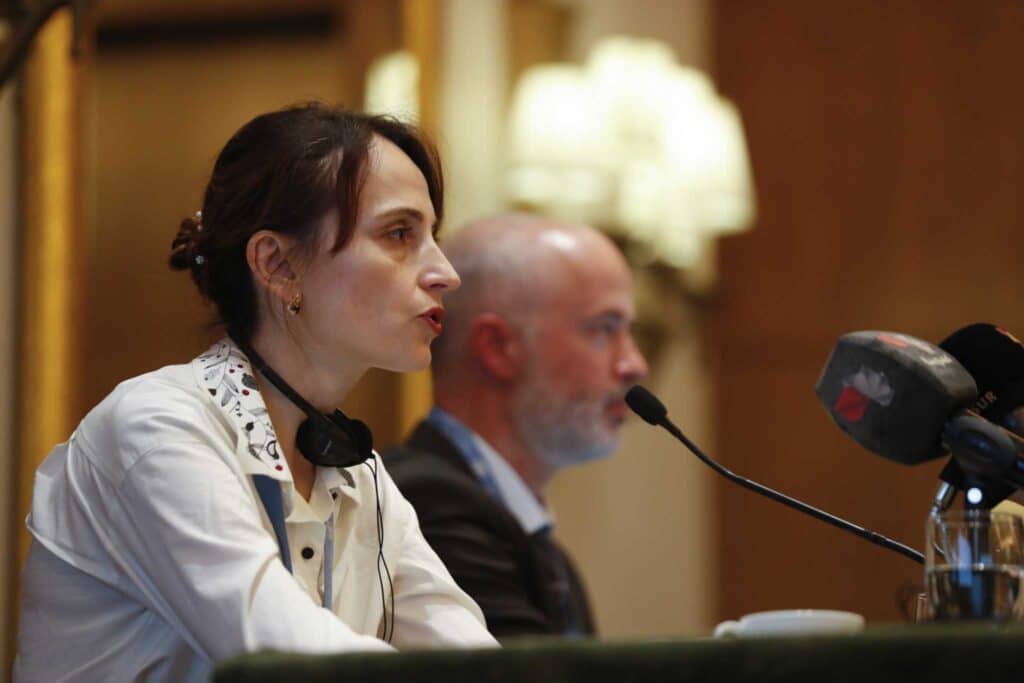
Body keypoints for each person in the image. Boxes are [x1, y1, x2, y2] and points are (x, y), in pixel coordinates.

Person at [14, 103, 496, 683]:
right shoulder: (154, 427)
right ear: (277, 264)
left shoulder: (359, 473)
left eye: (432, 236)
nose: (444, 271)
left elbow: (472, 658)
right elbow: (289, 662)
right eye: (399, 234)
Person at [384, 214, 649, 639]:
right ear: (498, 348)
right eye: (604, 330)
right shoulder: (425, 508)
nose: (634, 364)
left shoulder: (548, 557)